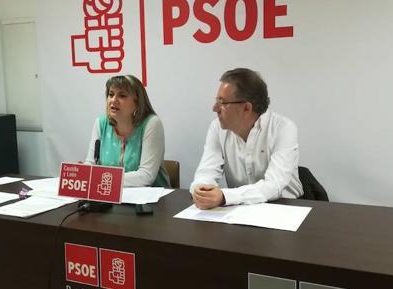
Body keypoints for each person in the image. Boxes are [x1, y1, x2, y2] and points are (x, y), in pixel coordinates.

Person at [190, 68, 302, 209]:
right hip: (240, 210)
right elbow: (206, 172)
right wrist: (202, 190)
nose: (215, 108)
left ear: (246, 108)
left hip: (286, 209)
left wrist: (224, 196)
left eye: (223, 102)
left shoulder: (283, 128)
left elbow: (273, 185)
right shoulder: (216, 128)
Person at [85, 74, 170, 187]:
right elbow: (91, 164)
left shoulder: (151, 124)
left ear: (137, 102)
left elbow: (146, 176)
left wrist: (103, 178)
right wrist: (83, 172)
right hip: (109, 196)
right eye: (111, 94)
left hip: (151, 200)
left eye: (122, 96)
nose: (113, 100)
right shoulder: (101, 123)